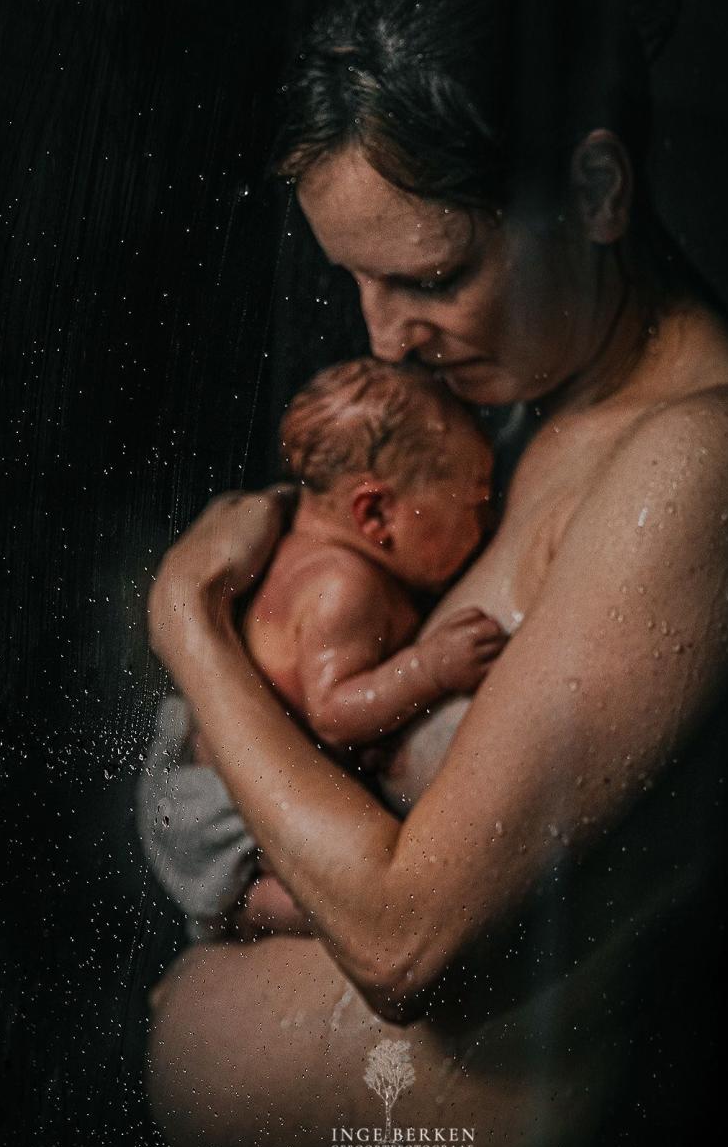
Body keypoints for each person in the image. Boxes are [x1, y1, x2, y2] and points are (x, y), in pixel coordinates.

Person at [140, 0, 728, 1147]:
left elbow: (404, 938)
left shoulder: (699, 456)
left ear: (599, 192)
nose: (385, 338)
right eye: (357, 282)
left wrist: (185, 626)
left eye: (431, 276)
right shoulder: (542, 417)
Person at [138, 357, 504, 943]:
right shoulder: (343, 587)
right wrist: (428, 669)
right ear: (376, 513)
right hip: (224, 804)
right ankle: (241, 911)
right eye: (476, 503)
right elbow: (334, 712)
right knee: (322, 906)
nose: (487, 523)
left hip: (206, 776)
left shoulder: (311, 554)